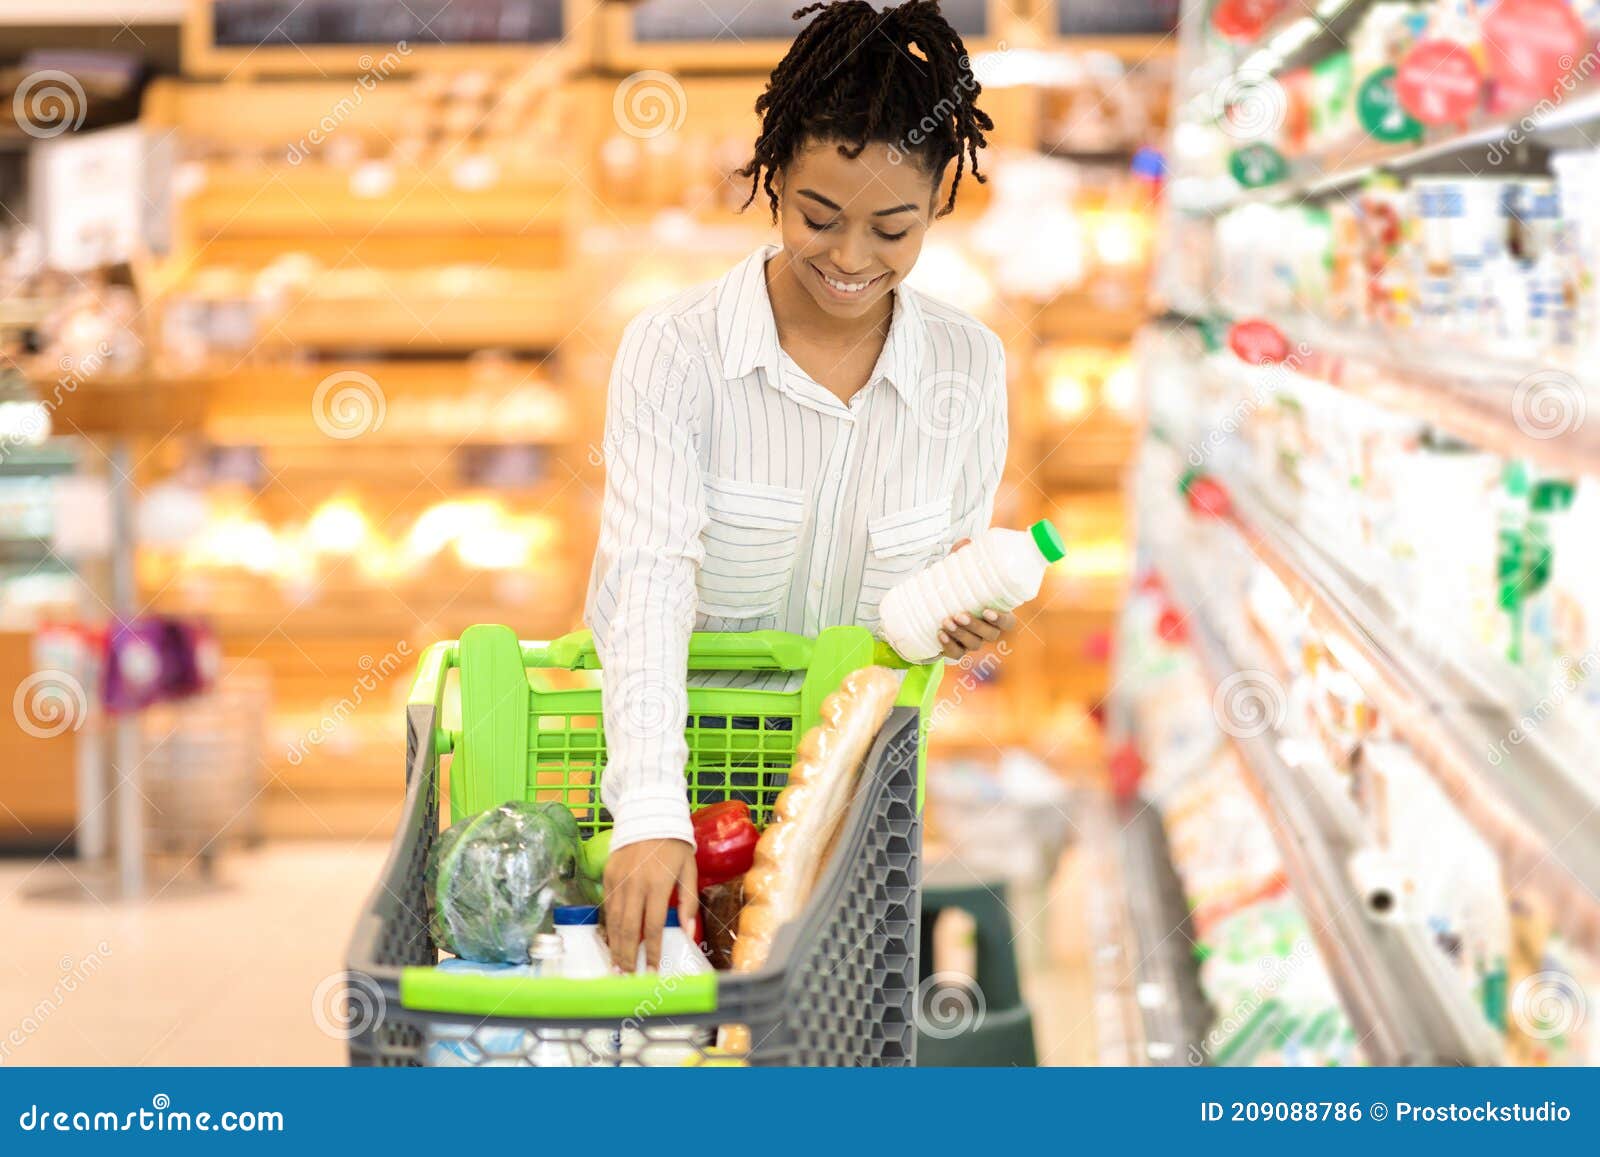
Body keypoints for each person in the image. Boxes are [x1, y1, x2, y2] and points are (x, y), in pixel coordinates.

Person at [584, 0, 1011, 971]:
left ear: (939, 199)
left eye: (891, 228)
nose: (851, 258)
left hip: (853, 804)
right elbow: (648, 580)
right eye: (819, 217)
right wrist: (647, 810)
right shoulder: (676, 350)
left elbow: (938, 599)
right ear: (771, 177)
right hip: (681, 784)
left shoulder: (968, 367)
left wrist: (968, 620)